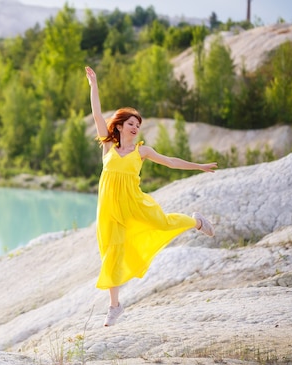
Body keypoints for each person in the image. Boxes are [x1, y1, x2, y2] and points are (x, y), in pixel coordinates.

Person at [85, 66, 218, 327]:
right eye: (131, 123)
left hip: (134, 204)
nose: (135, 127)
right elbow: (97, 113)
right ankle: (115, 306)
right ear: (120, 126)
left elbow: (170, 161)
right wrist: (94, 85)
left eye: (138, 125)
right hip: (109, 209)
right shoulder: (108, 146)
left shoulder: (142, 152)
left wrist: (198, 166)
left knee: (163, 223)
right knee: (111, 253)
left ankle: (196, 222)